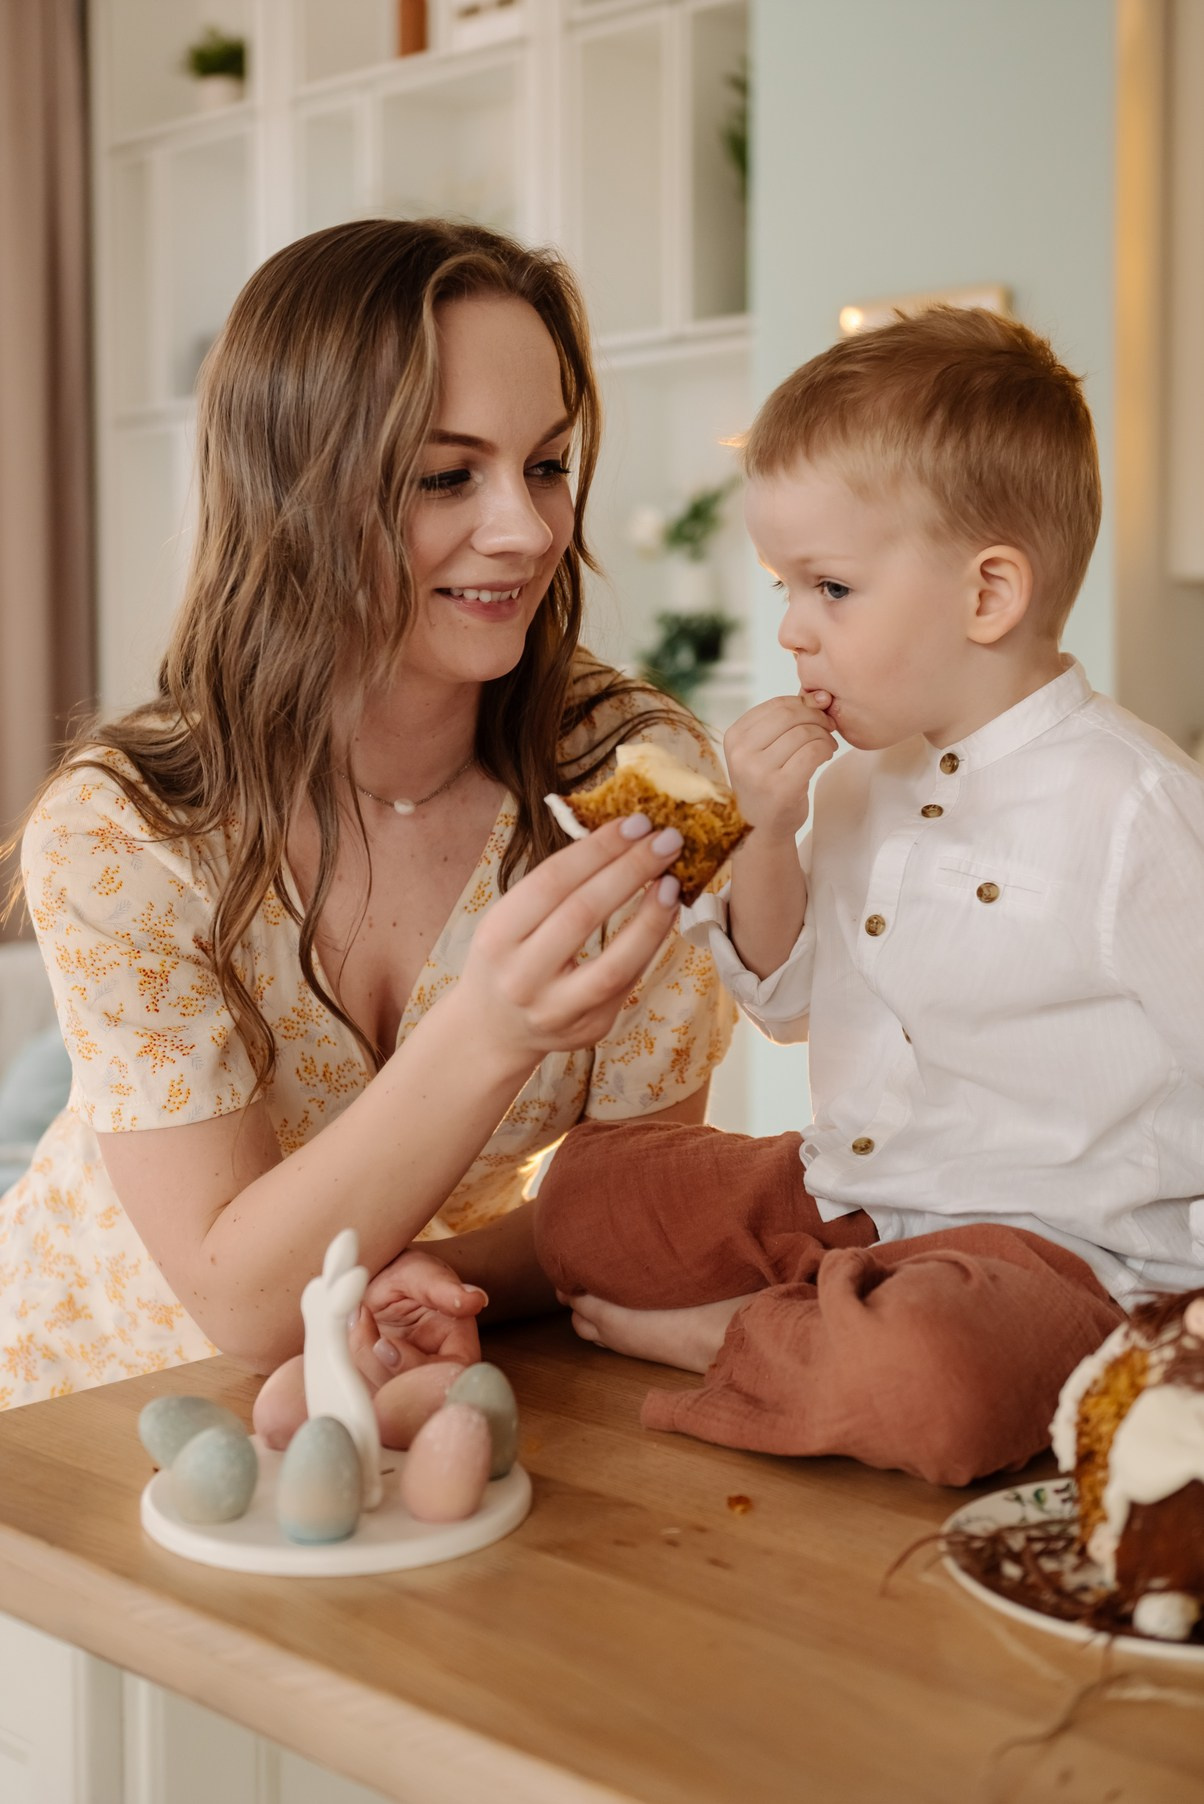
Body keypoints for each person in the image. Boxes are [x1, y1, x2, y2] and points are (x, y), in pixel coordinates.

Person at [0, 217, 735, 1412]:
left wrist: (417, 1280)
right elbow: (238, 1303)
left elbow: (636, 1209)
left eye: (546, 463)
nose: (529, 529)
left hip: (414, 1385)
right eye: (447, 475)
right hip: (83, 1412)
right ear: (287, 494)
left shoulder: (657, 777)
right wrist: (490, 1028)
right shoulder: (120, 828)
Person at [535, 306, 1204, 1488]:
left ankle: (739, 1336)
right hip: (850, 1193)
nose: (791, 628)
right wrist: (767, 832)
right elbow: (786, 1001)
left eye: (830, 587)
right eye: (785, 586)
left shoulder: (1136, 807)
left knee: (925, 1387)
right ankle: (814, 1306)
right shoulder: (850, 782)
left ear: (987, 593)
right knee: (589, 1192)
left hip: (1056, 1254)